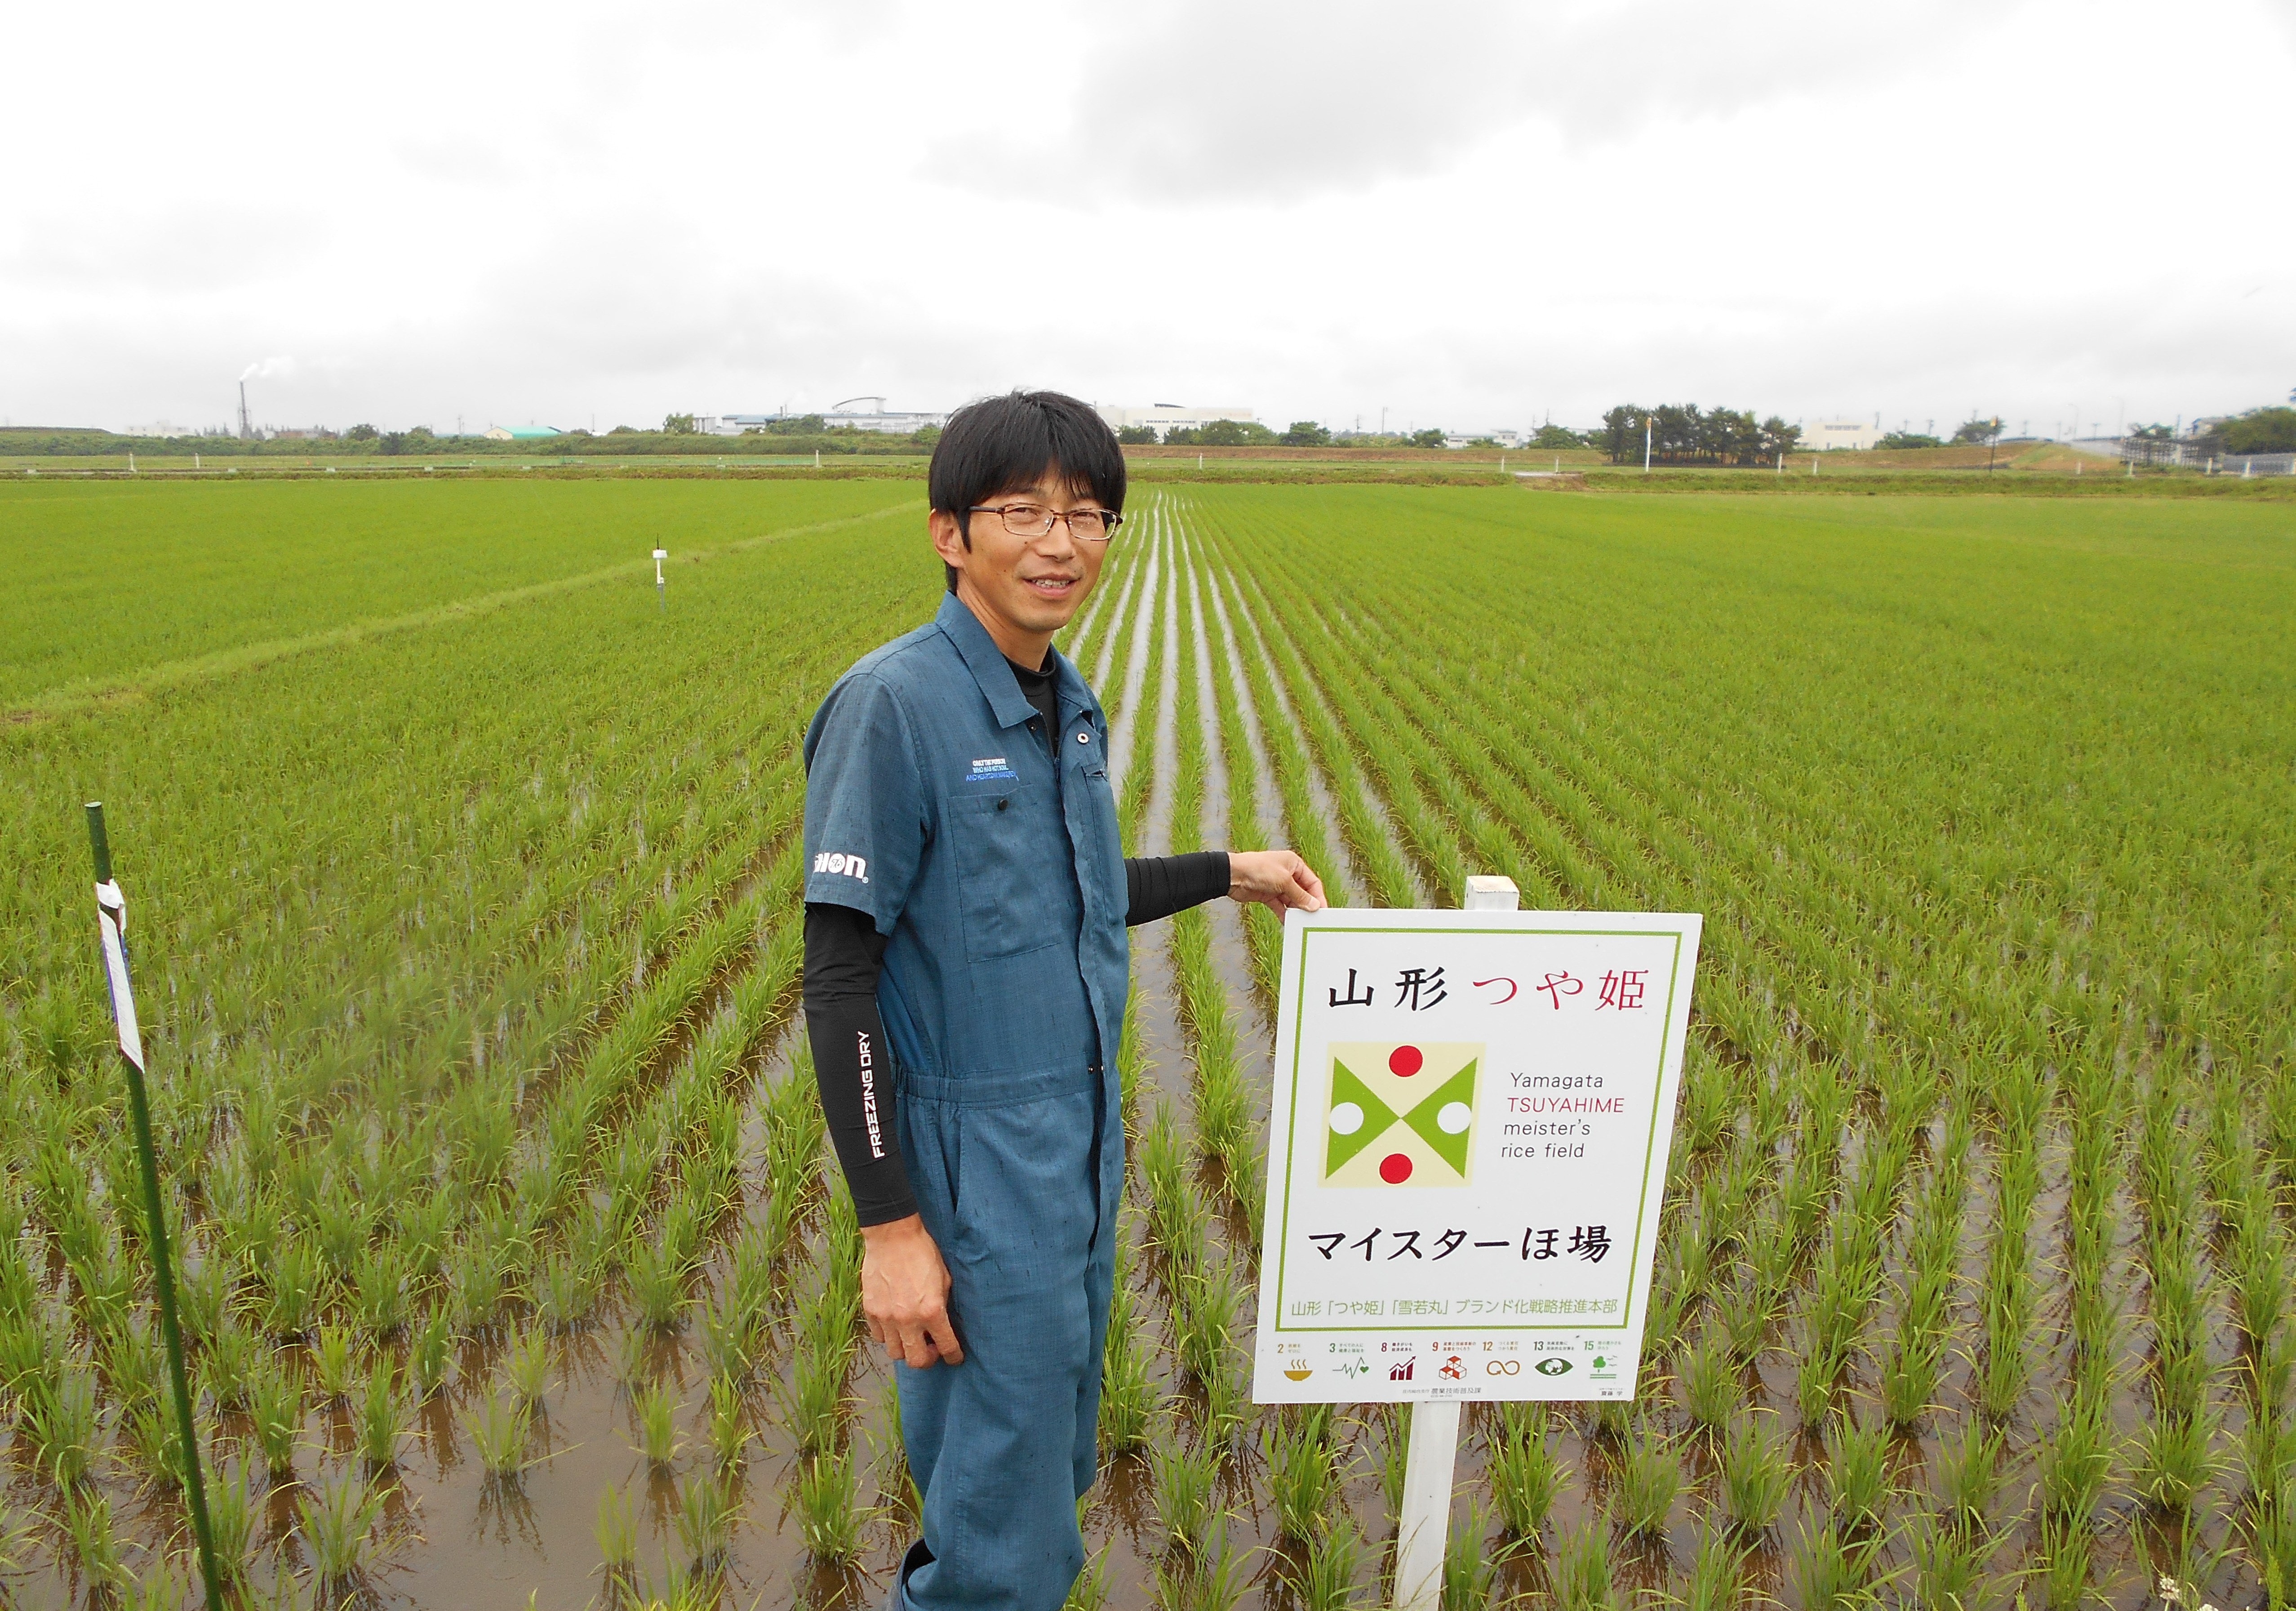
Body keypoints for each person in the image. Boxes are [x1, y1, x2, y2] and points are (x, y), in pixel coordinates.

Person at [802, 389, 1325, 1611]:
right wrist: (890, 1231)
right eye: (1021, 512)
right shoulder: (896, 705)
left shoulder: (1063, 703)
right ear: (949, 534)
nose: (1060, 544)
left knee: (1049, 1467)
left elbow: (1069, 896)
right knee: (1002, 1528)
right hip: (973, 1166)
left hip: (1077, 1150)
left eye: (1087, 516)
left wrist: (1224, 873)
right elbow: (839, 977)